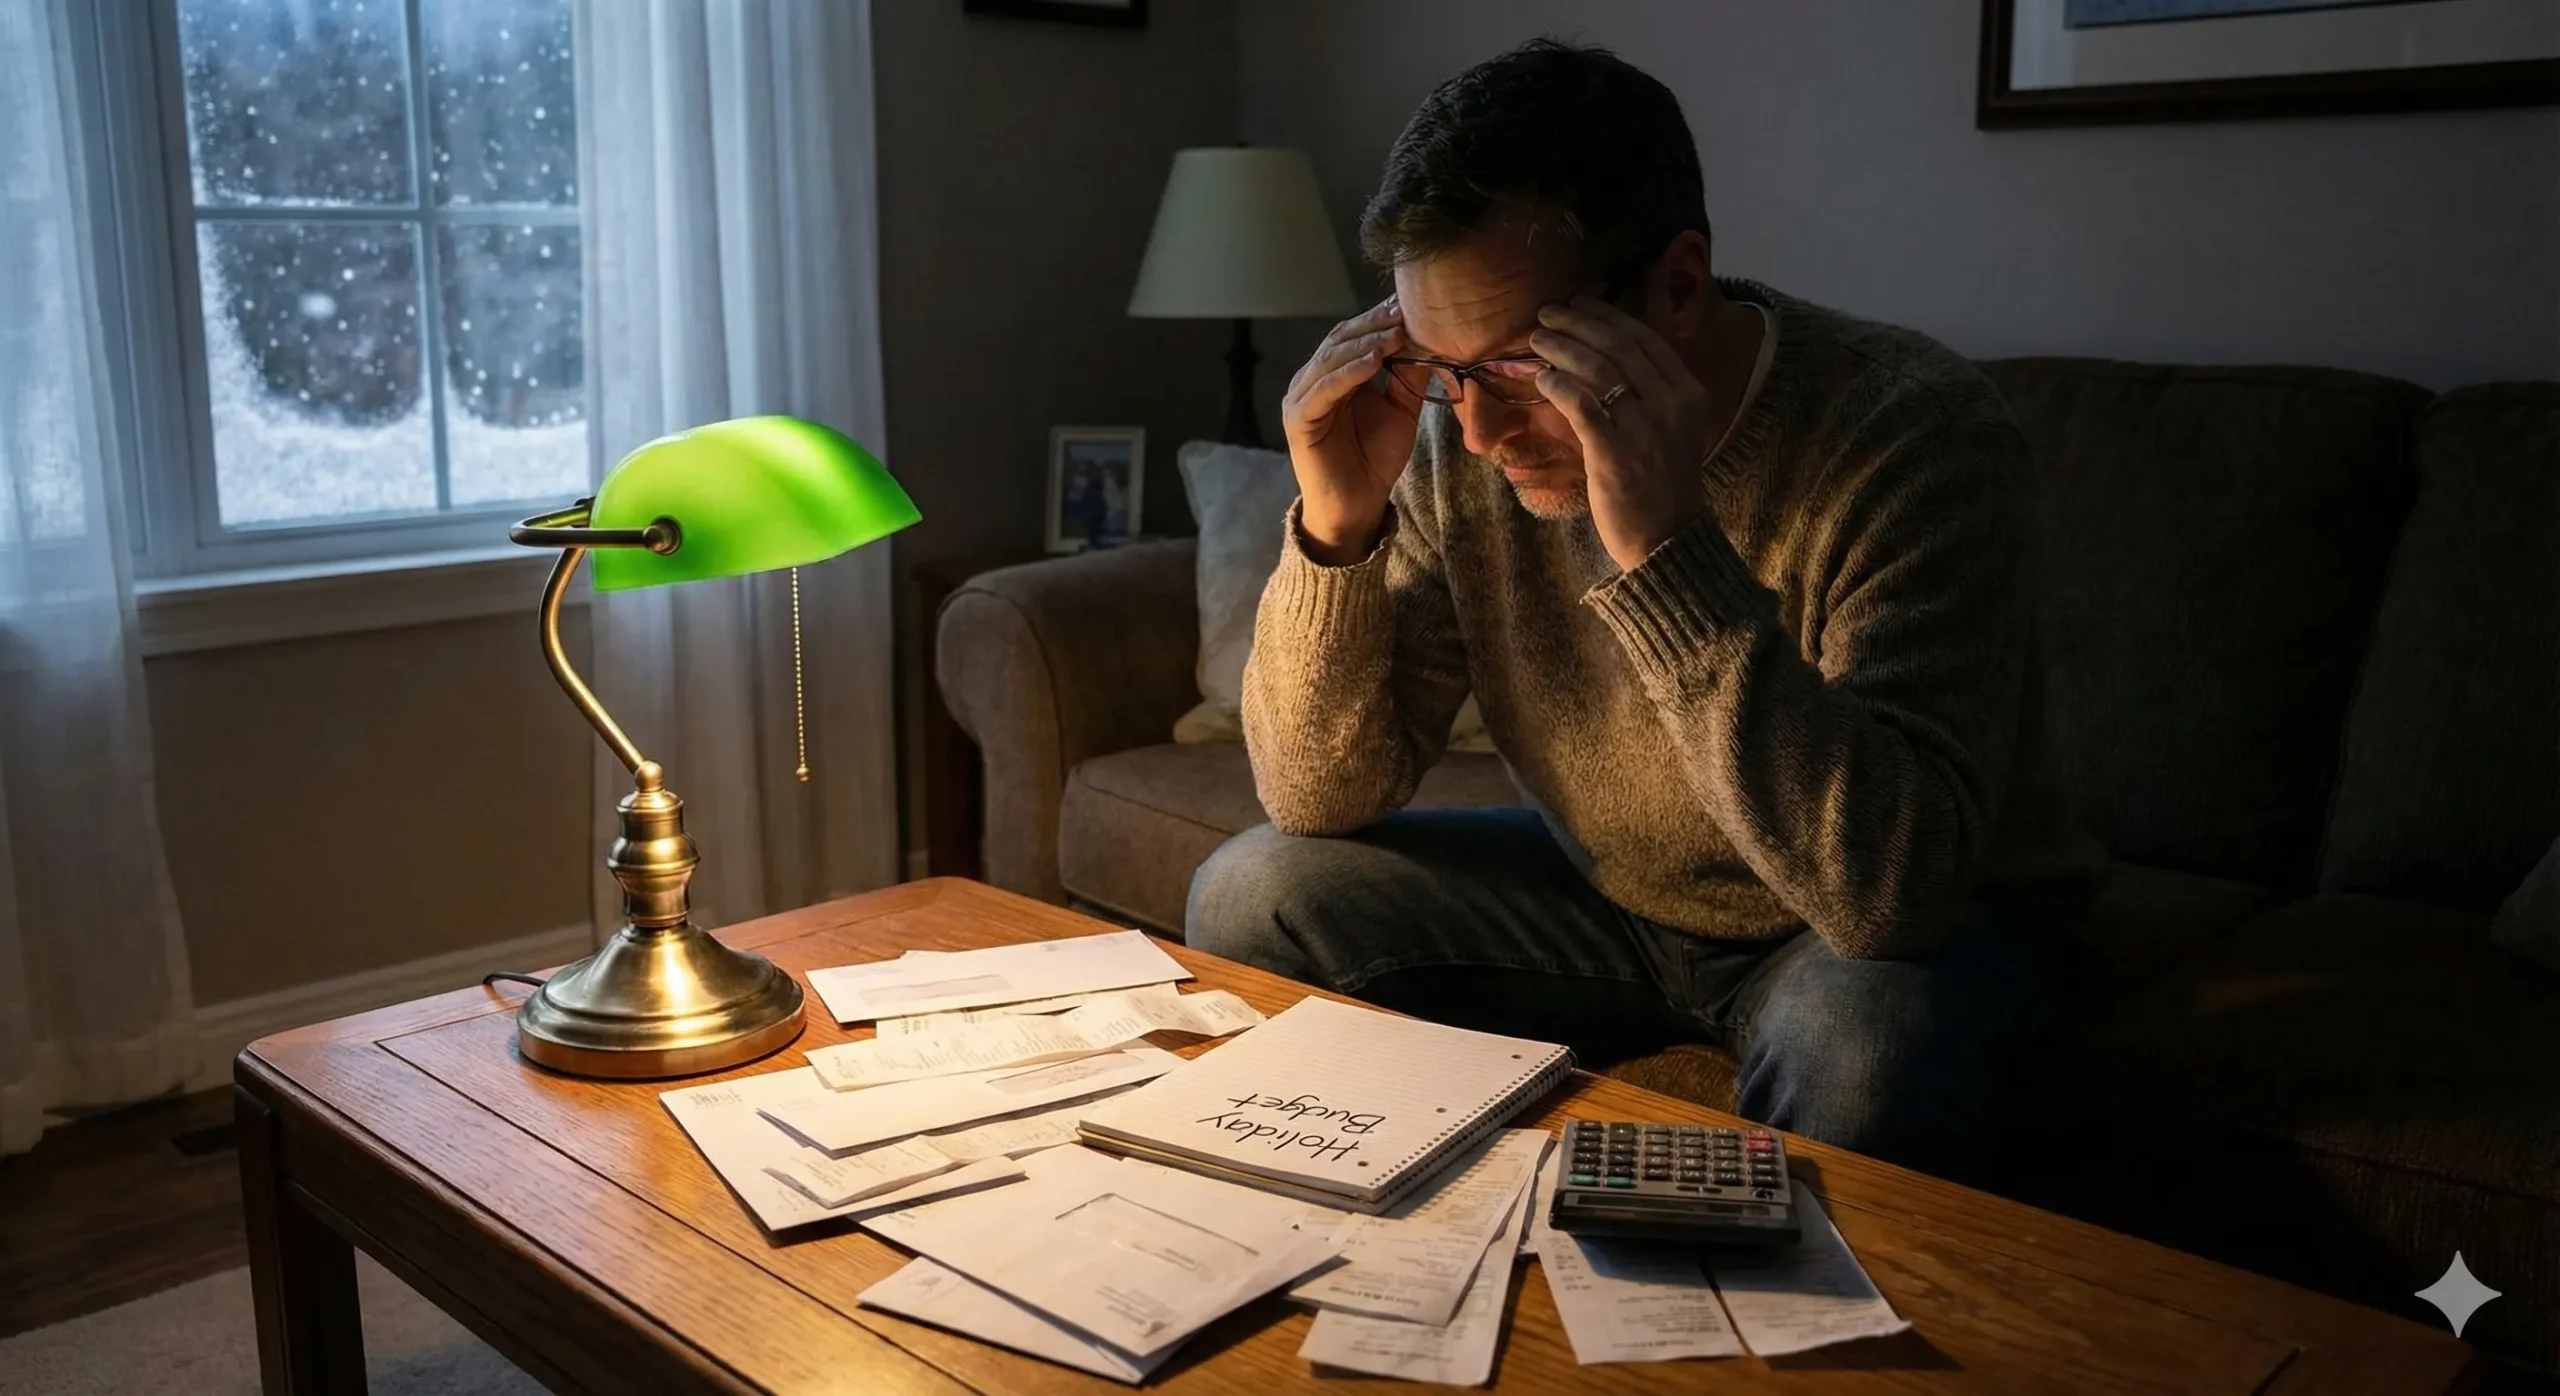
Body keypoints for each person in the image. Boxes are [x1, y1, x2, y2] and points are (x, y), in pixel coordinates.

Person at [1184, 39, 2103, 1181]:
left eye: (1521, 367)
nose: (1478, 434)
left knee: (1867, 1048)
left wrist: (1666, 550)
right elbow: (1320, 796)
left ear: (1675, 287)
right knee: (1256, 890)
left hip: (1892, 923)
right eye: (1443, 370)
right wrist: (1335, 530)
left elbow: (1885, 896)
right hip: (1615, 903)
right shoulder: (1456, 438)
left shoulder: (1912, 438)